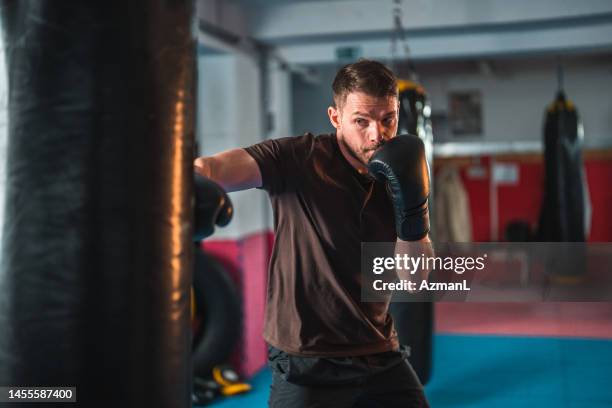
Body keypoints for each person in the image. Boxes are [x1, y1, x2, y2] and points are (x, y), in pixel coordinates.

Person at [194, 59, 431, 408]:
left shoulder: (402, 170)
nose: (376, 135)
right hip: (307, 359)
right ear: (335, 117)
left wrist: (413, 213)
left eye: (387, 120)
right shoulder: (297, 159)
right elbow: (214, 167)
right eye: (361, 121)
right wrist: (191, 183)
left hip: (379, 351)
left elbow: (414, 280)